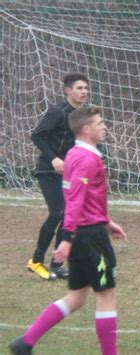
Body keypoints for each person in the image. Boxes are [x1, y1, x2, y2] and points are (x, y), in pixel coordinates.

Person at [9, 106, 127, 355]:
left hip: (89, 229)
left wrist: (106, 221)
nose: (104, 127)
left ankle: (25, 342)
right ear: (86, 129)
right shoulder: (85, 159)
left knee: (77, 297)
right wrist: (67, 238)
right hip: (89, 237)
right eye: (99, 123)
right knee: (106, 295)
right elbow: (74, 200)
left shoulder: (74, 154)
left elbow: (87, 199)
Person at [28, 73, 89, 280]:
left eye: (86, 88)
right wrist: (53, 158)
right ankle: (36, 261)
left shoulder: (80, 116)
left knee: (68, 217)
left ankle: (56, 265)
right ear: (68, 90)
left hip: (68, 173)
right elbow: (36, 135)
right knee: (58, 212)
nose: (84, 92)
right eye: (79, 88)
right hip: (48, 170)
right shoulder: (57, 112)